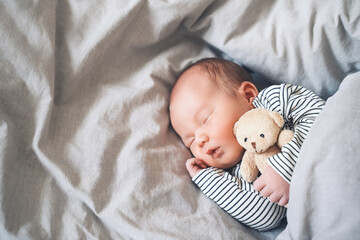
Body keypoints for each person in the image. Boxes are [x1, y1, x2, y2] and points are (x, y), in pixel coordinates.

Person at [169, 58, 325, 231]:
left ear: (248, 95)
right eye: (190, 140)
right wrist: (207, 178)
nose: (199, 140)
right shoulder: (239, 175)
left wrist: (284, 167)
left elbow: (320, 116)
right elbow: (266, 217)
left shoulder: (273, 103)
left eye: (205, 119)